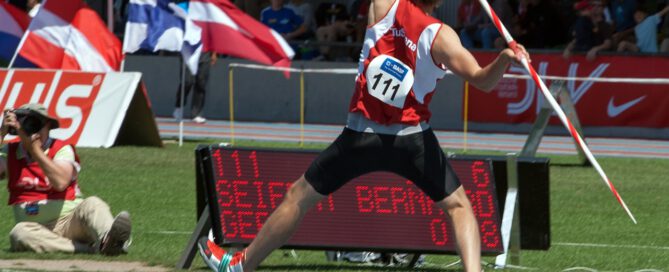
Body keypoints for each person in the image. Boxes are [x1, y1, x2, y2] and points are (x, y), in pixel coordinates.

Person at [197, 0, 529, 271]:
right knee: (459, 207)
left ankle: (242, 266)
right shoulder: (442, 36)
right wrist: (504, 58)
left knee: (298, 197)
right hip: (411, 139)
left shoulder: (382, 7)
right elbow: (484, 81)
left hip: (361, 134)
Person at [0, 103, 132, 255]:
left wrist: (35, 151)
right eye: (27, 125)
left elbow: (60, 182)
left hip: (70, 222)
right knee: (19, 233)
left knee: (93, 204)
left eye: (36, 125)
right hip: (35, 229)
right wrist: (1, 133)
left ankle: (108, 239)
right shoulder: (10, 151)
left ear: (48, 126)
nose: (32, 131)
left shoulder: (61, 148)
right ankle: (93, 249)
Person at [173, 51, 217, 124]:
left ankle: (196, 114)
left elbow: (212, 39)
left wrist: (214, 53)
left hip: (205, 54)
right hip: (189, 52)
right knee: (187, 81)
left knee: (201, 83)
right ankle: (179, 107)